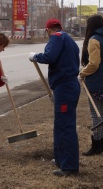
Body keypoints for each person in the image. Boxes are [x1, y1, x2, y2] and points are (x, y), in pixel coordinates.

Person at [29, 18, 80, 177]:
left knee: (65, 127)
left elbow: (49, 56)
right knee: (60, 125)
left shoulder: (57, 37)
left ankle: (69, 166)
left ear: (48, 30)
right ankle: (60, 159)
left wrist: (35, 56)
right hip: (66, 87)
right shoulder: (69, 39)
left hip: (65, 87)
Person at [79, 15, 103, 156]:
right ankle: (101, 144)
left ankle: (96, 145)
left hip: (95, 82)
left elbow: (94, 63)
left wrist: (82, 73)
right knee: (101, 114)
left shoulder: (94, 40)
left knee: (96, 115)